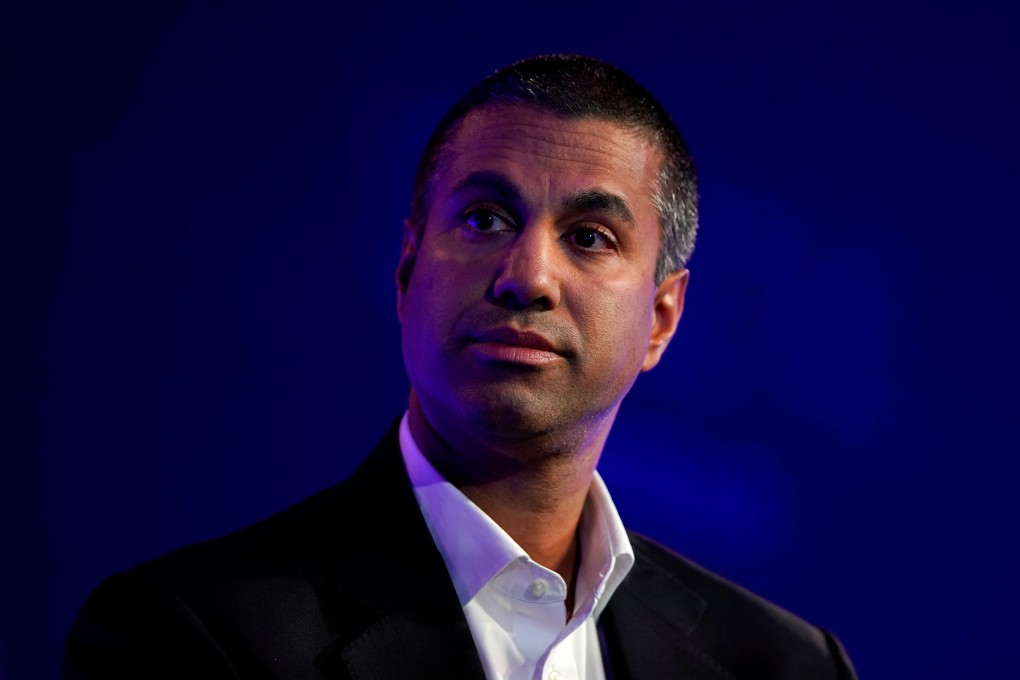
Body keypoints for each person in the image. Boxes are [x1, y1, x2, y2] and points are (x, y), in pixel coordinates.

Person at [63, 53, 858, 679]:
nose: (527, 276)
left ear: (661, 318)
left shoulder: (783, 665)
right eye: (485, 218)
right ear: (407, 270)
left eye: (589, 236)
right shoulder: (186, 637)